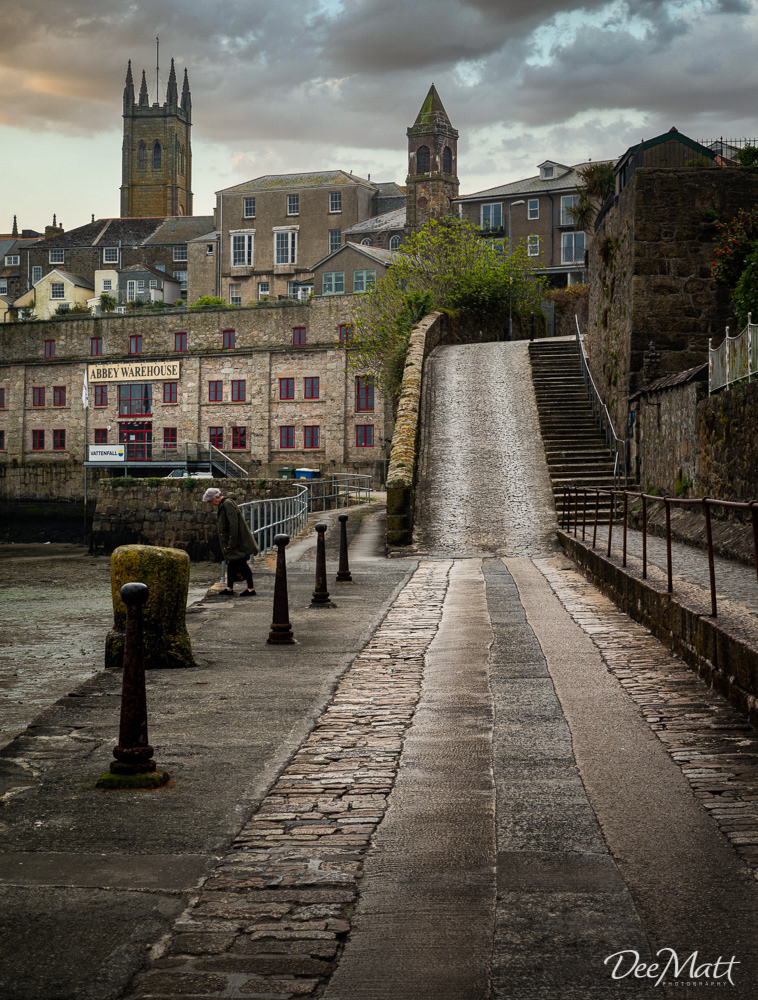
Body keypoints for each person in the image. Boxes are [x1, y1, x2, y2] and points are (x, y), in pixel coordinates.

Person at [202, 487, 259, 596]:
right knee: (232, 563)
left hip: (235, 541)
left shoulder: (227, 504)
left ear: (216, 497)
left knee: (241, 563)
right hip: (233, 539)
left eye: (211, 501)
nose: (211, 504)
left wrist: (231, 543)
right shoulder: (224, 504)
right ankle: (229, 588)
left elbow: (234, 524)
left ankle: (251, 589)